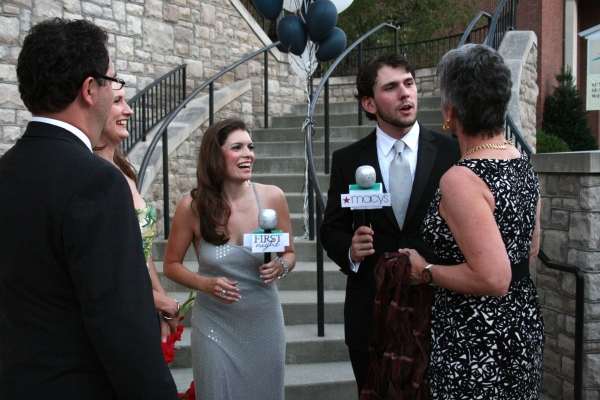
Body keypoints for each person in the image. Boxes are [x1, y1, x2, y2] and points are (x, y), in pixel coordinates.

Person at [0, 18, 177, 399]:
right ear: (88, 89)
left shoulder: (5, 172)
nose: (117, 89)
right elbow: (122, 327)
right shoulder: (96, 183)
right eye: (112, 79)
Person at [403, 44, 545, 398]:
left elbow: (494, 278)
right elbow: (530, 249)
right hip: (521, 321)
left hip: (476, 339)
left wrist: (425, 271)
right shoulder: (520, 159)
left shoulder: (462, 179)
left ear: (451, 112)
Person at [320, 52, 461, 395]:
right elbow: (331, 228)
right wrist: (350, 249)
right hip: (370, 316)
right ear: (369, 103)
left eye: (409, 84)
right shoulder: (348, 160)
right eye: (392, 87)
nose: (405, 94)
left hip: (437, 310)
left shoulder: (451, 152)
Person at [163, 118, 295, 400]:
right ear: (215, 155)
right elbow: (171, 265)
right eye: (237, 147)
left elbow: (290, 253)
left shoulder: (273, 197)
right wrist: (204, 283)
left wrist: (281, 266)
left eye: (250, 146)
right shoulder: (192, 206)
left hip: (264, 322)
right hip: (215, 325)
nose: (248, 153)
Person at [94, 86, 180, 341]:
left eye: (126, 101)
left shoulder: (124, 168)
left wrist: (160, 297)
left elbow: (143, 250)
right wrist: (159, 301)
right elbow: (103, 265)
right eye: (117, 101)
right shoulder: (90, 172)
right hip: (118, 307)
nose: (128, 110)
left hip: (142, 300)